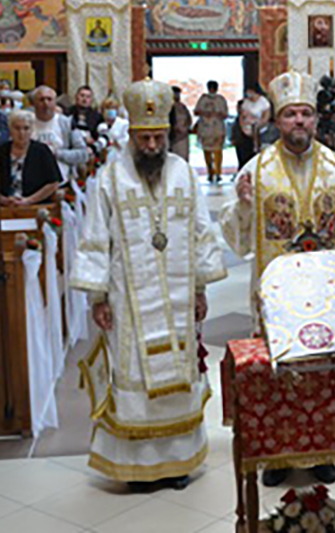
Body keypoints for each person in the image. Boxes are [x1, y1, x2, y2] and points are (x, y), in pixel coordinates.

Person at [222, 70, 335, 487]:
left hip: (328, 296)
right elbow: (236, 241)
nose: (299, 122)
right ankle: (276, 454)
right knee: (279, 374)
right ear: (277, 120)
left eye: (306, 114)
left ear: (315, 120)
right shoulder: (257, 171)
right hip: (278, 298)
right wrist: (241, 207)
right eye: (291, 114)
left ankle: (323, 450)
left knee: (323, 372)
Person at [73, 79, 227, 491]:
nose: (153, 145)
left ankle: (177, 464)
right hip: (128, 296)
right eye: (145, 138)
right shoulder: (111, 176)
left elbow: (201, 231)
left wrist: (199, 289)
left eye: (159, 137)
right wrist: (98, 296)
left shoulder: (182, 173)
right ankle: (137, 467)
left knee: (178, 377)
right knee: (134, 377)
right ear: (133, 135)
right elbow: (94, 237)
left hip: (178, 302)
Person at [0, 109, 62, 207]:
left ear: (32, 130)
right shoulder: (0, 151)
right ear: (10, 129)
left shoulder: (42, 151)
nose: (21, 133)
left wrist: (29, 200)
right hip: (5, 206)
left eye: (26, 128)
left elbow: (53, 183)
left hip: (35, 206)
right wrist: (3, 200)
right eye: (17, 128)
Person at [30, 86, 90, 180]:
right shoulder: (26, 123)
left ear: (55, 103)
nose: (46, 103)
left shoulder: (66, 123)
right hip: (33, 180)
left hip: (61, 181)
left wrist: (57, 154)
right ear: (34, 103)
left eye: (49, 99)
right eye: (41, 100)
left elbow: (83, 154)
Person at [194, 80, 229, 183]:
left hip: (217, 129)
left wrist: (217, 114)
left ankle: (218, 173)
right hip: (205, 129)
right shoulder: (203, 99)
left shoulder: (221, 99)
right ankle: (210, 172)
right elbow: (196, 111)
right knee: (207, 152)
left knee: (218, 151)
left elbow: (225, 114)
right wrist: (205, 113)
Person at [237, 84, 270, 170]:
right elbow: (241, 116)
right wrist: (243, 127)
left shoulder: (263, 102)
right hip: (246, 129)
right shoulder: (246, 102)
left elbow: (266, 117)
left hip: (260, 130)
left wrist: (258, 126)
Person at [169, 86, 191, 160]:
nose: (177, 96)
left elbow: (189, 119)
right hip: (172, 138)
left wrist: (186, 128)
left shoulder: (182, 107)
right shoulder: (168, 107)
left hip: (183, 137)